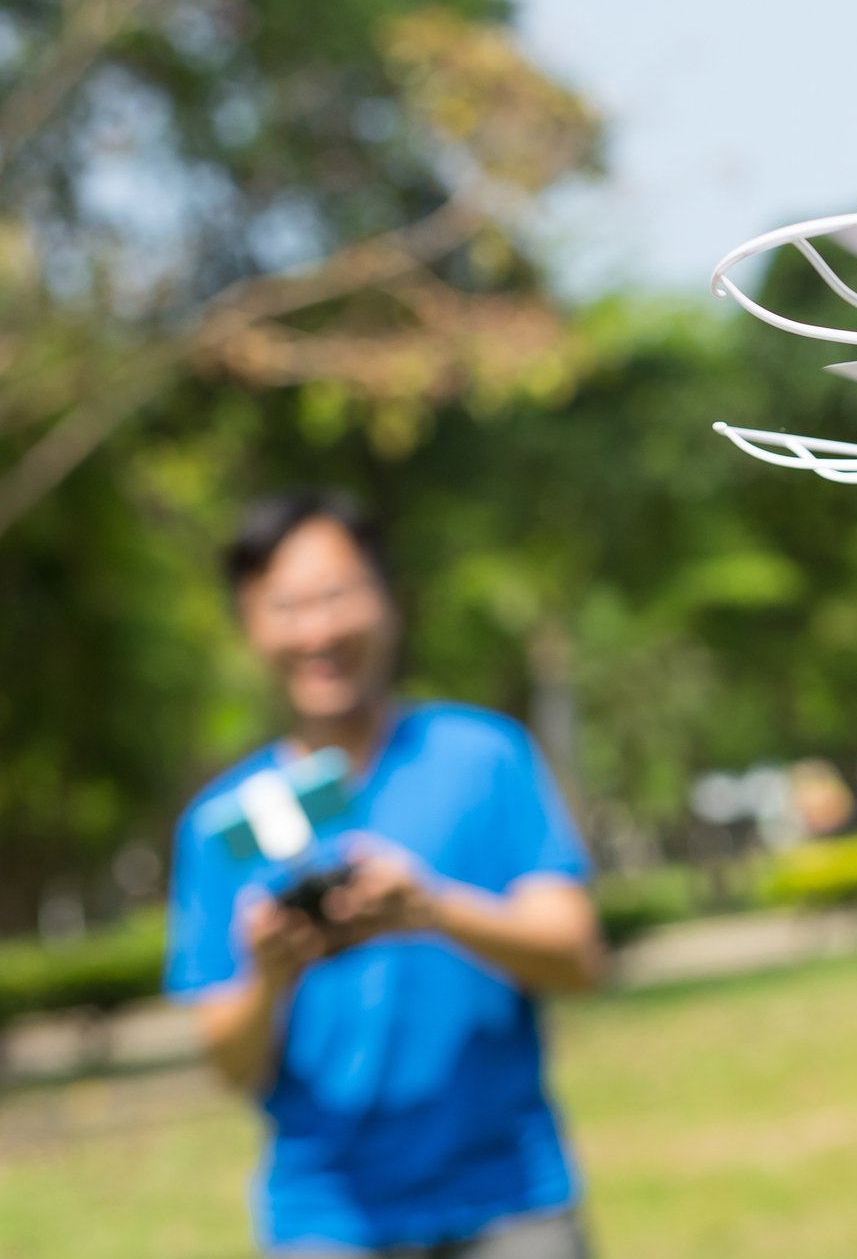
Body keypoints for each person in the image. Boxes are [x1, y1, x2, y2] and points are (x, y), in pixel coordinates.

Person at [163, 490, 606, 1258]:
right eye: (286, 606)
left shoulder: (483, 756)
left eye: (337, 596)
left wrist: (433, 911)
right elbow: (229, 1064)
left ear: (389, 600)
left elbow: (576, 955)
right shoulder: (221, 824)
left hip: (511, 1198)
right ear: (248, 623)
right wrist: (272, 974)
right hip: (325, 1216)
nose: (318, 630)